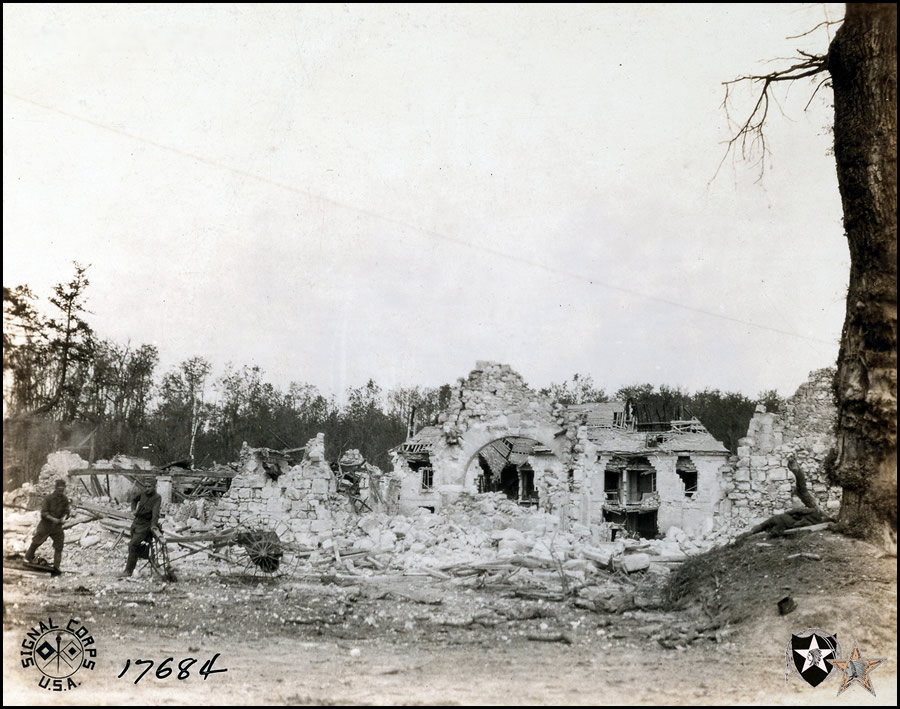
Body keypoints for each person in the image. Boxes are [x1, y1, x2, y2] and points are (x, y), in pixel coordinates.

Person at [25, 479, 70, 573]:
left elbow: (66, 511)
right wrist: (54, 519)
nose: (61, 492)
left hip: (57, 528)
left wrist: (64, 518)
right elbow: (44, 513)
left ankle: (56, 567)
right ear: (56, 488)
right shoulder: (48, 498)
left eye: (62, 489)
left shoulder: (65, 499)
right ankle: (28, 558)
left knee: (59, 546)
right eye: (59, 489)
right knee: (36, 542)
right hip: (45, 525)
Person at [120, 478, 162, 578]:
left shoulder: (157, 497)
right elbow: (134, 500)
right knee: (135, 546)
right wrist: (133, 509)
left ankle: (128, 571)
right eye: (145, 486)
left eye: (149, 487)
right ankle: (144, 555)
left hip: (145, 525)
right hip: (136, 523)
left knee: (132, 545)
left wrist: (153, 526)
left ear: (154, 487)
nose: (147, 489)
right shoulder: (142, 494)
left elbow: (155, 513)